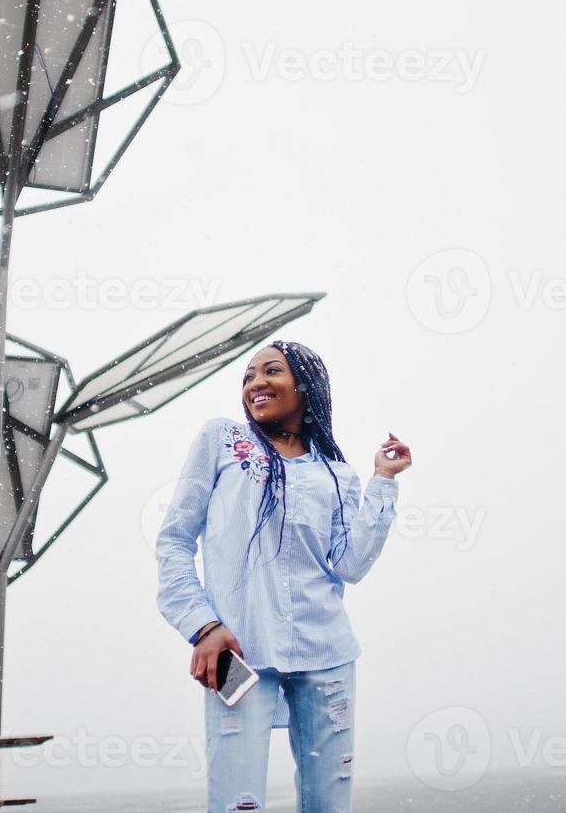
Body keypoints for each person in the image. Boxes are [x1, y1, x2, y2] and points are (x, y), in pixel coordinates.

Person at [155, 339, 412, 813]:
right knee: (238, 800)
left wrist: (383, 481)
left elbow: (349, 565)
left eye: (271, 371)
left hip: (327, 653)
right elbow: (174, 541)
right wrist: (202, 626)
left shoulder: (336, 474)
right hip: (236, 651)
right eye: (248, 377)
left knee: (329, 800)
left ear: (305, 384)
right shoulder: (223, 440)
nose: (256, 383)